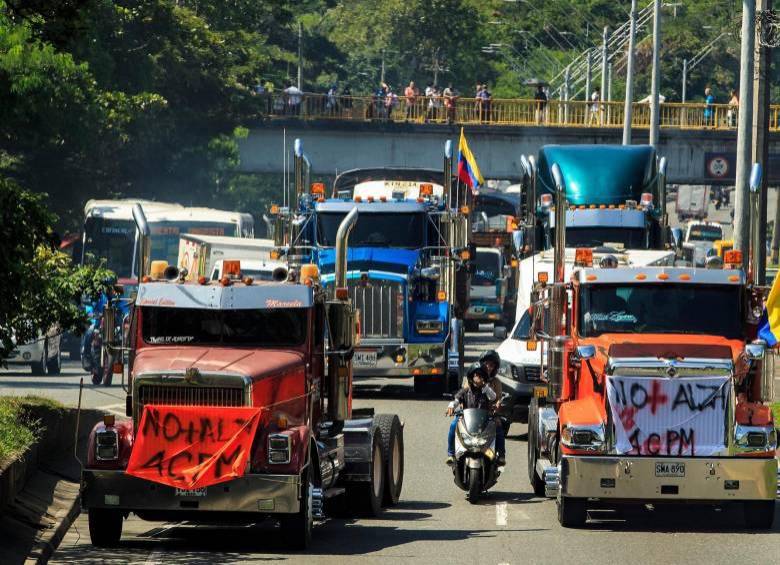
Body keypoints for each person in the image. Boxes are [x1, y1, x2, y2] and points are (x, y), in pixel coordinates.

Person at [446, 365, 498, 465]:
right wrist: (451, 405)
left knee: (498, 429)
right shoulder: (466, 391)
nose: (477, 378)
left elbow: (493, 397)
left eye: (480, 376)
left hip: (483, 421)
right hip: (466, 421)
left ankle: (500, 456)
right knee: (453, 425)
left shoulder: (486, 391)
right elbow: (456, 400)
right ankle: (451, 454)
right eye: (475, 375)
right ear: (470, 377)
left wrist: (484, 386)